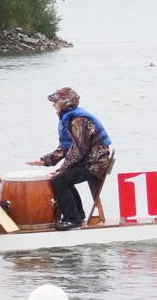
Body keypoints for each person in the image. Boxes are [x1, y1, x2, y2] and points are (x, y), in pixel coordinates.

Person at [27, 87, 112, 231]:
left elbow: (78, 150)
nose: (53, 105)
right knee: (63, 178)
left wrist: (61, 169)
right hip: (88, 161)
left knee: (59, 180)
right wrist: (46, 160)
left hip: (95, 163)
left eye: (55, 101)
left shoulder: (79, 120)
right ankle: (78, 215)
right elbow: (66, 147)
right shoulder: (71, 118)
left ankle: (72, 220)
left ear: (66, 103)